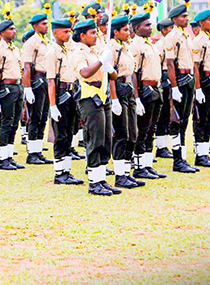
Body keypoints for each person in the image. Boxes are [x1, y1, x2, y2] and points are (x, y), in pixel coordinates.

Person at [70, 19, 120, 196]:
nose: (96, 36)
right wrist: (100, 61)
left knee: (106, 139)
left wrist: (108, 66)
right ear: (82, 35)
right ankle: (94, 182)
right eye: (92, 33)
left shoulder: (97, 51)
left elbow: (114, 76)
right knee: (95, 139)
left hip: (103, 95)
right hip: (89, 97)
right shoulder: (78, 52)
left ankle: (101, 179)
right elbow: (85, 73)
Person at [45, 18, 83, 185]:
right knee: (61, 134)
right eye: (65, 31)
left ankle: (66, 171)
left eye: (70, 31)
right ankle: (59, 172)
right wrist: (53, 105)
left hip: (71, 92)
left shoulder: (68, 49)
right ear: (55, 33)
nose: (69, 34)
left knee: (69, 132)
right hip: (61, 94)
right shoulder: (52, 52)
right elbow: (51, 80)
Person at [129, 12, 166, 179]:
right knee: (143, 130)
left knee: (152, 129)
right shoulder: (135, 46)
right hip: (145, 90)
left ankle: (147, 164)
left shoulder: (149, 44)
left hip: (155, 89)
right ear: (137, 28)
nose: (151, 28)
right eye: (147, 25)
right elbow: (133, 74)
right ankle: (139, 167)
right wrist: (137, 98)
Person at [108, 15, 144, 189]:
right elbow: (110, 76)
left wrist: (136, 98)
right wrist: (114, 99)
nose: (128, 32)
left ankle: (126, 173)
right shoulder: (112, 49)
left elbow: (132, 73)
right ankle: (119, 175)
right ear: (115, 32)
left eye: (129, 29)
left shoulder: (126, 47)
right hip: (119, 91)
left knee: (132, 134)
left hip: (128, 90)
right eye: (125, 30)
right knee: (121, 134)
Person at [163, 2, 199, 173]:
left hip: (189, 78)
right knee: (176, 121)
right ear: (175, 19)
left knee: (184, 120)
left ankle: (182, 158)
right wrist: (174, 87)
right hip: (180, 79)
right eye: (183, 16)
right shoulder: (172, 37)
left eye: (186, 16)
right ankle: (177, 159)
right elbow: (170, 63)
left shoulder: (186, 35)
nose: (187, 19)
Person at [0, 18, 26, 170]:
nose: (14, 31)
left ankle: (9, 156)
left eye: (14, 29)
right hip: (7, 87)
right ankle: (3, 159)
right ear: (2, 32)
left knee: (15, 123)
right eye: (10, 29)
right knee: (6, 122)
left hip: (17, 86)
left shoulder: (14, 49)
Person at [191, 8, 210, 167]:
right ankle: (200, 155)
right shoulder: (199, 41)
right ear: (201, 23)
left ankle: (205, 152)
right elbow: (195, 66)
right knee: (201, 118)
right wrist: (198, 88)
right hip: (205, 80)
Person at [22, 13, 53, 165]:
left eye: (46, 23)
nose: (46, 26)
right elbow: (27, 67)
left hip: (46, 79)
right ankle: (32, 153)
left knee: (43, 117)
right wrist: (27, 88)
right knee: (35, 116)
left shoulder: (47, 42)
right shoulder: (31, 43)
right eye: (43, 24)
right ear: (35, 26)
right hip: (37, 79)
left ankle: (38, 151)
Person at [153, 17, 175, 159]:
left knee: (170, 114)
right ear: (164, 30)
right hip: (164, 77)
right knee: (163, 113)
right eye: (170, 28)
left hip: (173, 78)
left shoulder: (173, 42)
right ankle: (161, 147)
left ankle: (165, 144)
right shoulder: (160, 45)